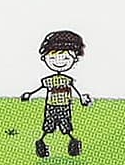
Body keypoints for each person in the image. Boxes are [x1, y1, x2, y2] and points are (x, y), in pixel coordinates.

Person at [21, 29, 93, 157]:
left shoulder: (67, 80)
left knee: (66, 127)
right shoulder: (49, 80)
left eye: (66, 58)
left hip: (64, 106)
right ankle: (42, 144)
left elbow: (75, 89)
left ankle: (73, 144)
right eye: (53, 57)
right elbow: (41, 88)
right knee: (48, 127)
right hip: (51, 106)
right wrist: (30, 94)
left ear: (75, 59)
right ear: (44, 58)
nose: (59, 61)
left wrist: (82, 97)